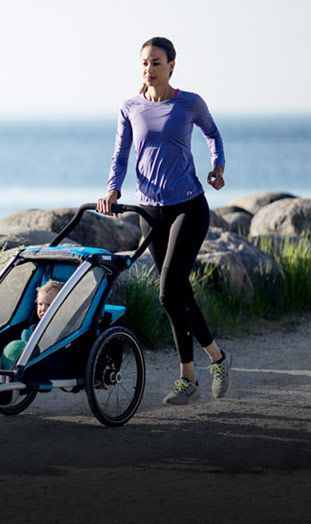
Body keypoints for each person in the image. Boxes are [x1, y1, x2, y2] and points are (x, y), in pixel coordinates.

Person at [96, 36, 232, 405]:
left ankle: (187, 376)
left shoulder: (189, 102)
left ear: (172, 65)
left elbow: (213, 134)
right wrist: (112, 190)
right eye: (144, 63)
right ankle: (217, 357)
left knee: (168, 289)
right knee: (179, 292)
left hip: (188, 206)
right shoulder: (130, 107)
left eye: (156, 62)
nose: (149, 69)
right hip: (149, 211)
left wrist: (217, 166)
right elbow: (120, 156)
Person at [0, 280, 64, 369]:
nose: (43, 308)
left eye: (49, 305)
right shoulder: (36, 325)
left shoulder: (61, 328)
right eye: (40, 304)